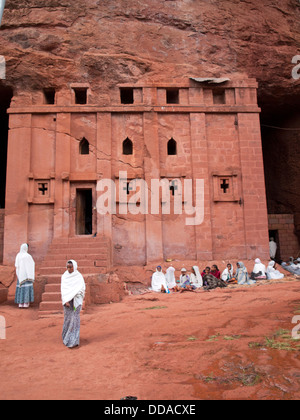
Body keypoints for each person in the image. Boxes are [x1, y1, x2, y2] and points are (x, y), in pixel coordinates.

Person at [61, 260, 86, 348]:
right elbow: (63, 290)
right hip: (67, 302)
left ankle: (74, 340)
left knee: (75, 319)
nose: (69, 269)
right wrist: (66, 300)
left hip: (76, 301)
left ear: (74, 267)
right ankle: (66, 338)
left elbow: (82, 288)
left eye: (70, 267)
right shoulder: (64, 276)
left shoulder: (78, 277)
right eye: (67, 267)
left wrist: (76, 295)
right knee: (68, 319)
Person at [14, 243, 35, 308]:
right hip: (26, 275)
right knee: (26, 288)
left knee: (21, 288)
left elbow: (16, 265)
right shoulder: (27, 256)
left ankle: (20, 303)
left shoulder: (18, 255)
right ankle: (26, 303)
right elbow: (32, 264)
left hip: (20, 275)